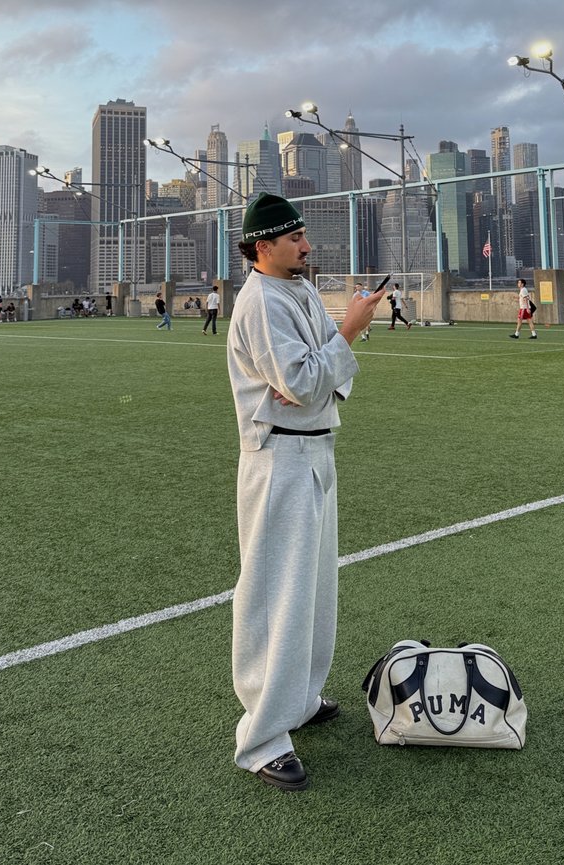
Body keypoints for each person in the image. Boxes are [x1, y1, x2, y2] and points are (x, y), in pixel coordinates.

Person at [227, 192, 385, 792]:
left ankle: (299, 699)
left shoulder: (301, 292)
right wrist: (348, 330)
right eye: (294, 238)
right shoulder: (261, 301)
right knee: (275, 595)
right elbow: (299, 381)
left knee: (315, 589)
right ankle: (263, 738)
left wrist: (338, 341)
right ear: (263, 246)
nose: (306, 246)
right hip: (279, 459)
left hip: (316, 449)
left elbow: (325, 379)